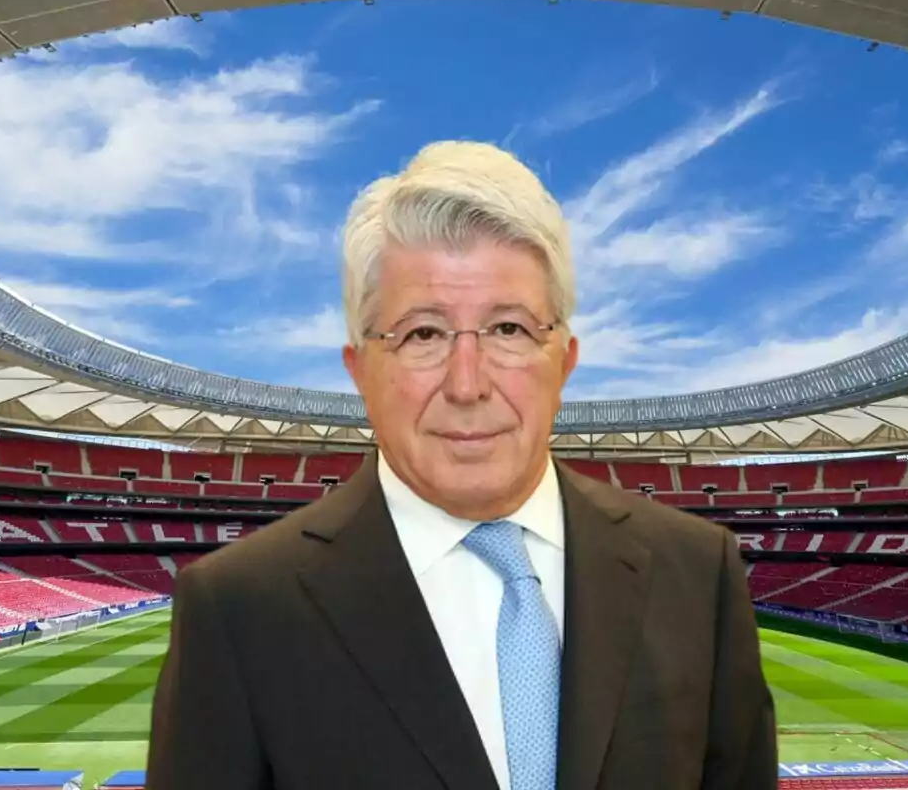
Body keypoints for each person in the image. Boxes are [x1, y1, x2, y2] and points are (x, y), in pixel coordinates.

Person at [145, 141, 777, 790]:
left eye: (508, 330)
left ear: (564, 359)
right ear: (360, 371)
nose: (468, 384)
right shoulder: (239, 610)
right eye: (423, 334)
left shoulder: (699, 576)